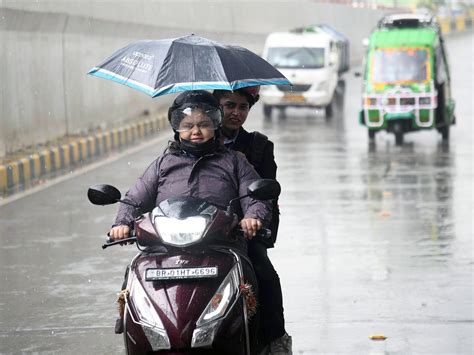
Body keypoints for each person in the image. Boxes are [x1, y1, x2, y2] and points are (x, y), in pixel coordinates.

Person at [108, 90, 271, 350]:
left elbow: (254, 197)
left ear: (216, 125)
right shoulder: (163, 164)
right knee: (134, 271)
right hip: (164, 247)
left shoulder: (233, 162)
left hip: (220, 244)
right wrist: (121, 223)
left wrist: (252, 217)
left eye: (204, 124)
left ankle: (258, 339)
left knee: (253, 278)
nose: (196, 131)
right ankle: (129, 321)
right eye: (188, 125)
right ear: (177, 128)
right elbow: (134, 199)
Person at [213, 87, 292, 355]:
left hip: (242, 230)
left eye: (243, 107)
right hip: (200, 231)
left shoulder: (258, 146)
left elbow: (268, 191)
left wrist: (248, 168)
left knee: (264, 273)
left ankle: (275, 340)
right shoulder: (192, 141)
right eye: (229, 105)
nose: (236, 112)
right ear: (216, 107)